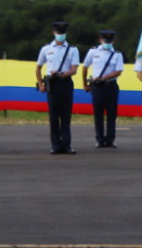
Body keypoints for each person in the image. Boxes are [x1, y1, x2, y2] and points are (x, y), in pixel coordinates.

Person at [36, 21, 80, 154]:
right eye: (58, 33)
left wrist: (62, 75)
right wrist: (40, 84)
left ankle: (66, 144)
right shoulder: (46, 49)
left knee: (66, 116)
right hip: (52, 84)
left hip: (65, 82)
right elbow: (38, 67)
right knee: (54, 116)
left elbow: (74, 69)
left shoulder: (73, 49)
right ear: (54, 33)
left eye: (63, 33)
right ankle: (55, 145)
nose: (60, 35)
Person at [82, 30, 124, 149]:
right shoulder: (93, 51)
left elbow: (118, 71)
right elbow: (85, 67)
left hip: (110, 85)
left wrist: (103, 77)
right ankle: (100, 139)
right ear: (101, 40)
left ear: (113, 41)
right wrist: (85, 83)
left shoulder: (117, 54)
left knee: (112, 114)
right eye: (105, 41)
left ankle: (110, 140)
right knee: (98, 113)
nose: (107, 43)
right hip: (97, 86)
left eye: (109, 41)